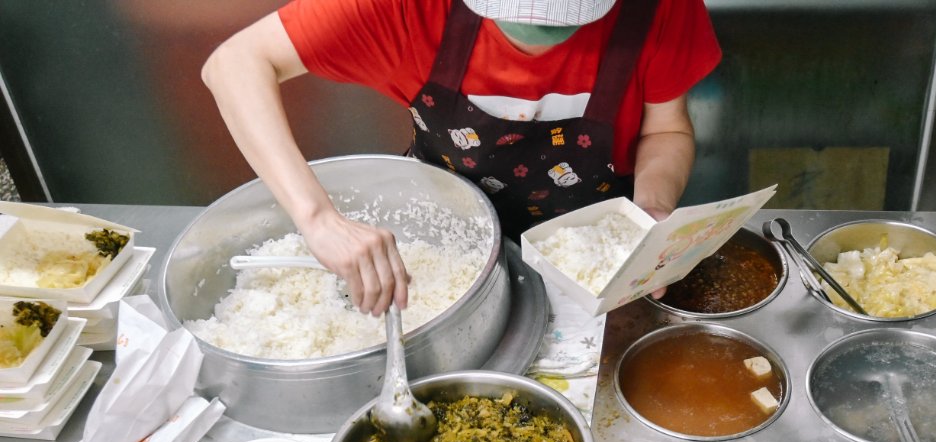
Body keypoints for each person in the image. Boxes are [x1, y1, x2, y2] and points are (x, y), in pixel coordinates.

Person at [202, 0, 721, 316]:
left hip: (598, 257)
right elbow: (234, 64)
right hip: (445, 241)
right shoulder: (407, 8)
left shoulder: (659, 7)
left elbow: (667, 129)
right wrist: (316, 218)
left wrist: (650, 215)